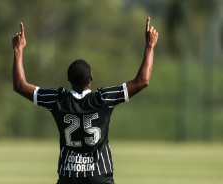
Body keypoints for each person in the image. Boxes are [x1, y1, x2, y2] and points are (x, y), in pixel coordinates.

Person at [12, 17, 158, 184]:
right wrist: (150, 46)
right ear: (91, 77)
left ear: (69, 79)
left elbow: (20, 86)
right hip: (100, 176)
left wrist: (18, 50)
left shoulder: (57, 100)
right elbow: (142, 81)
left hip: (69, 177)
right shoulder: (104, 99)